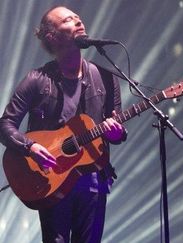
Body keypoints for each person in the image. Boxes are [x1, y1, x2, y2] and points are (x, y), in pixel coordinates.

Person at [0, 5, 127, 243]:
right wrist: (30, 147)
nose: (79, 22)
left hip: (93, 180)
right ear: (52, 36)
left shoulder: (106, 78)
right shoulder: (37, 80)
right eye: (68, 20)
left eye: (79, 18)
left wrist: (117, 131)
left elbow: (116, 133)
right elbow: (5, 125)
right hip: (50, 178)